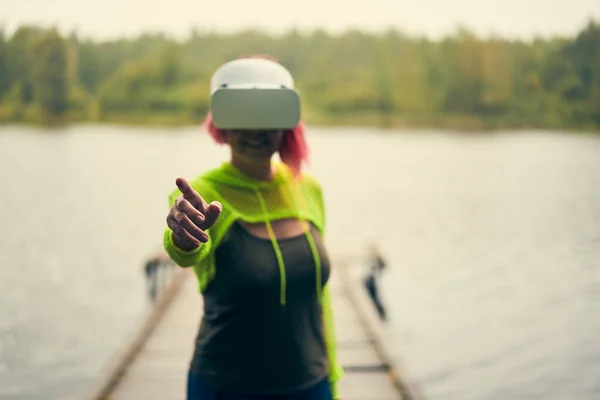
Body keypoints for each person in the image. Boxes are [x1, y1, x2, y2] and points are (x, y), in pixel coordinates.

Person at [163, 56, 343, 400]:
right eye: (242, 117)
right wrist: (183, 239)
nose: (256, 132)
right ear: (222, 125)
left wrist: (331, 378)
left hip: (309, 386)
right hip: (226, 386)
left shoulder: (308, 189)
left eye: (270, 117)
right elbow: (187, 253)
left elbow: (320, 299)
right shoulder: (203, 194)